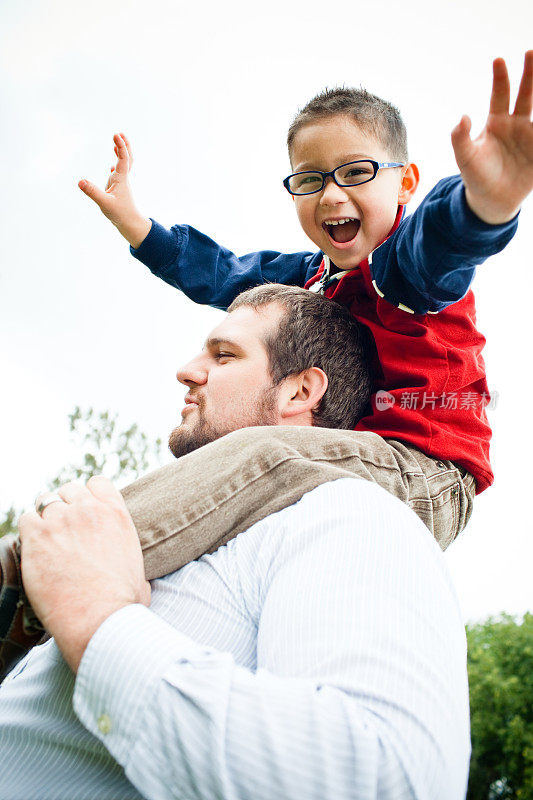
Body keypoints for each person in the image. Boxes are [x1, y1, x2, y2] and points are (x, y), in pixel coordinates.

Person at [0, 287, 470, 799]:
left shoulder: (351, 513)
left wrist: (97, 619)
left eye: (224, 355)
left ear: (299, 393)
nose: (187, 369)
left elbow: (384, 780)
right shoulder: (184, 533)